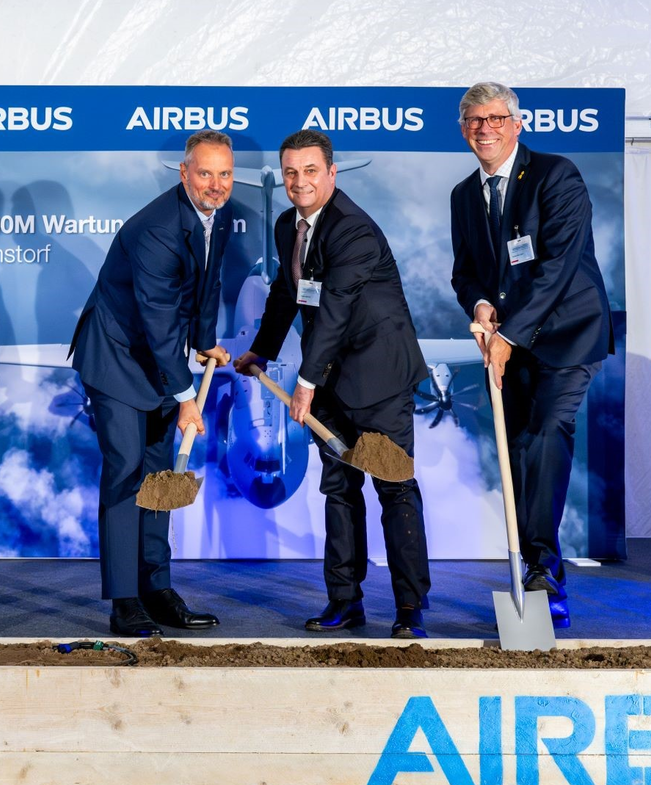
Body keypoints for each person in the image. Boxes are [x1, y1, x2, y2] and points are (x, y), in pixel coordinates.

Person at [235, 129, 433, 639]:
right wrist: (263, 349)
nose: (299, 182)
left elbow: (336, 312)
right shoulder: (288, 226)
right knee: (339, 491)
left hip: (379, 381)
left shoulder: (354, 231)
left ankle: (410, 608)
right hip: (330, 383)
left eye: (310, 171)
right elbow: (287, 292)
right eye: (291, 173)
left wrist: (304, 381)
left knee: (395, 489)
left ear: (331, 173)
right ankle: (345, 601)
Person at [448, 82, 613, 629]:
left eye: (496, 118)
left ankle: (543, 574)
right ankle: (536, 564)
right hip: (511, 342)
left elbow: (558, 266)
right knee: (516, 449)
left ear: (518, 124)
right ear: (463, 129)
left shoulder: (555, 175)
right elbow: (467, 270)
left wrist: (510, 333)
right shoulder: (463, 195)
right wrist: (479, 304)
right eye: (475, 120)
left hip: (567, 335)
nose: (485, 128)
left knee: (545, 433)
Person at [71, 130, 236, 637]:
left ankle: (155, 587)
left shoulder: (214, 217)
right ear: (183, 172)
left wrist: (205, 341)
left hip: (160, 360)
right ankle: (125, 600)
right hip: (118, 357)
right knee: (126, 473)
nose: (216, 184)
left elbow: (206, 289)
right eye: (204, 173)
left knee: (159, 476)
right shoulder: (158, 228)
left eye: (224, 174)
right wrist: (187, 397)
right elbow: (159, 317)